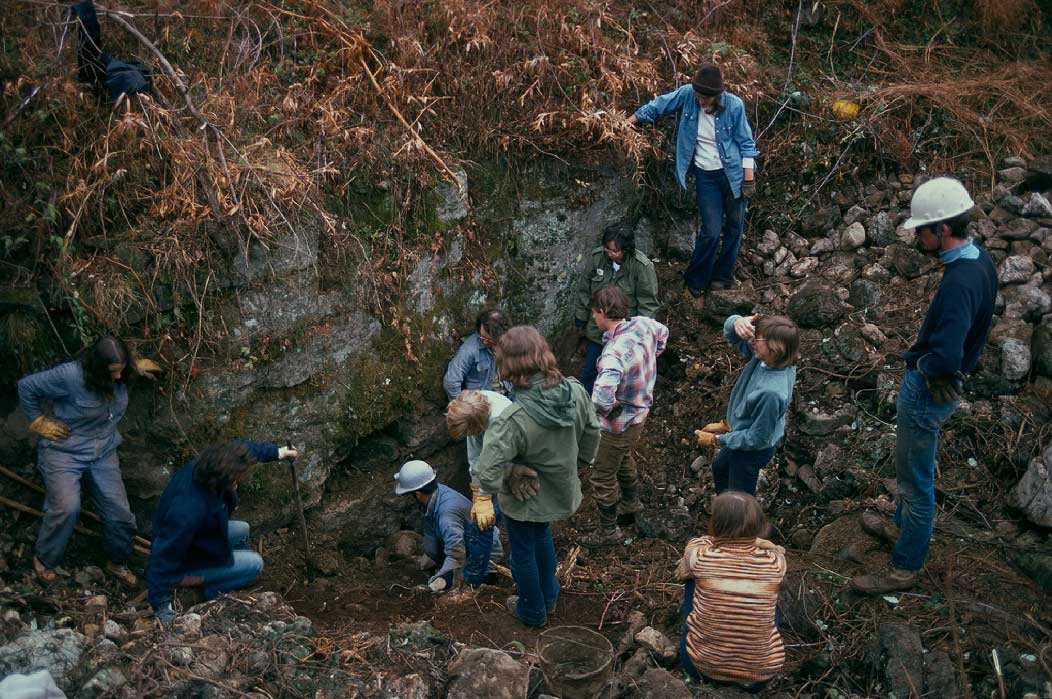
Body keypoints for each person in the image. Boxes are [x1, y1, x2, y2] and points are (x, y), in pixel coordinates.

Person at [851, 177, 996, 594]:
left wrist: (927, 365)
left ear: (943, 230)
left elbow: (947, 355)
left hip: (928, 391)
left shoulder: (958, 283)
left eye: (922, 229)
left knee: (915, 484)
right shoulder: (979, 261)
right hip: (942, 386)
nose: (918, 235)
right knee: (912, 472)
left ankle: (904, 566)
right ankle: (902, 529)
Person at [473, 326, 600, 626]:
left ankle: (532, 609)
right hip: (559, 489)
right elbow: (593, 431)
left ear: (511, 366)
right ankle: (550, 595)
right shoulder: (575, 391)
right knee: (542, 535)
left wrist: (488, 491)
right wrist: (576, 463)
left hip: (524, 495)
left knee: (522, 553)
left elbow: (487, 468)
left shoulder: (513, 419)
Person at [16, 336, 160, 585]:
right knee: (66, 508)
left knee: (121, 515)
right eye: (113, 372)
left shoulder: (124, 371)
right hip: (64, 451)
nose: (118, 377)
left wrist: (134, 367)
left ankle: (116, 561)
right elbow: (27, 386)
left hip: (103, 450)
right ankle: (45, 559)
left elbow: (126, 369)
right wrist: (38, 421)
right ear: (96, 367)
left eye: (121, 370)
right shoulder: (70, 376)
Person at [629, 63, 759, 297]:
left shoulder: (734, 106)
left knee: (734, 226)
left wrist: (748, 180)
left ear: (717, 96)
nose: (700, 100)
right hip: (705, 175)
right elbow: (660, 104)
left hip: (734, 175)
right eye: (698, 95)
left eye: (706, 98)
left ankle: (723, 276)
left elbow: (746, 144)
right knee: (710, 230)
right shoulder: (688, 94)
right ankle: (696, 278)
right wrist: (634, 118)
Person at [146, 439, 297, 624]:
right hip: (184, 562)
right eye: (235, 479)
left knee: (243, 528)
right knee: (255, 563)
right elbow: (163, 555)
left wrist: (278, 453)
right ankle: (212, 589)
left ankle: (229, 567)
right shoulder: (187, 511)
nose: (239, 481)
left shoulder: (208, 466)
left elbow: (245, 449)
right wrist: (162, 605)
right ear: (222, 478)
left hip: (201, 539)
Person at [582, 286, 668, 546]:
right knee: (622, 456)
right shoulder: (643, 325)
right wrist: (652, 356)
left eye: (594, 312)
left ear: (603, 312)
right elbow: (663, 334)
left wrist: (606, 410)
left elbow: (600, 397)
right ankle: (632, 503)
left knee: (602, 475)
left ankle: (609, 532)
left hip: (618, 423)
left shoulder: (612, 354)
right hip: (640, 415)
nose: (593, 317)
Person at [677, 491, 786, 692]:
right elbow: (779, 553)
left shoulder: (702, 557)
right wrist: (758, 543)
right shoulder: (774, 563)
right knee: (772, 591)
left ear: (715, 525)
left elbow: (693, 545)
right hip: (758, 675)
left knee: (692, 577)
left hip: (700, 667)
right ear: (760, 525)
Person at [694, 314, 798, 496]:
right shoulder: (769, 360)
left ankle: (739, 522)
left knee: (739, 498)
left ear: (775, 348)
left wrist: (717, 440)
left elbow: (758, 438)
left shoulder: (771, 393)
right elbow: (732, 336)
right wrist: (735, 322)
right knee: (720, 468)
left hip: (752, 451)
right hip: (741, 435)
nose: (754, 341)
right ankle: (727, 513)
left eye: (759, 339)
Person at [573, 223, 659, 394]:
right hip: (597, 331)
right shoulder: (597, 258)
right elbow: (584, 288)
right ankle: (583, 407)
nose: (610, 254)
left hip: (623, 333)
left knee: (618, 376)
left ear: (626, 250)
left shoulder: (641, 267)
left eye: (615, 251)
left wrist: (641, 336)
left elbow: (648, 304)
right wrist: (581, 316)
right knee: (590, 372)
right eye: (607, 249)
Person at [393, 460, 503, 593]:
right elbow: (432, 533)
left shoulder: (446, 513)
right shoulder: (436, 493)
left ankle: (479, 578)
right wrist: (428, 560)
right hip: (467, 544)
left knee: (448, 580)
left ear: (418, 494)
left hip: (484, 554)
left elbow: (456, 553)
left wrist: (437, 581)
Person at [445, 389, 519, 587]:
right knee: (482, 520)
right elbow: (476, 455)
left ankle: (472, 582)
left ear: (479, 425)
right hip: (495, 467)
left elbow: (498, 461)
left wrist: (485, 496)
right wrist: (477, 492)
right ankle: (482, 572)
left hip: (517, 467)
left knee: (487, 524)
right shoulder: (471, 406)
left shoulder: (502, 420)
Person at [443, 309, 510, 400]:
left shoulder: (510, 343)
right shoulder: (470, 349)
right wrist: (463, 408)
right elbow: (451, 382)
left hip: (509, 395)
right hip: (484, 403)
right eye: (481, 336)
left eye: (489, 339)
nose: (484, 341)